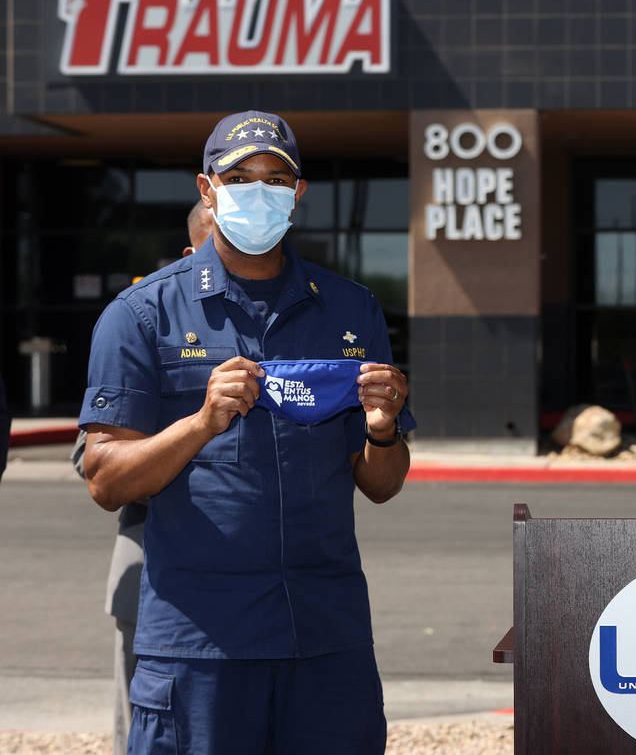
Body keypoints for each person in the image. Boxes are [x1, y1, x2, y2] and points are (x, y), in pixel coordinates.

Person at [79, 110, 411, 755]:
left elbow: (383, 485)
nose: (259, 192)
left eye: (275, 178)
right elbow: (106, 480)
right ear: (207, 189)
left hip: (327, 634)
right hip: (201, 642)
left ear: (298, 193)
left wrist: (384, 431)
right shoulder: (142, 313)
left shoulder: (350, 308)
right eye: (239, 177)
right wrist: (201, 424)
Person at [71, 199, 213, 755]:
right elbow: (94, 459)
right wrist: (189, 431)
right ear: (189, 255)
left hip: (255, 588)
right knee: (147, 728)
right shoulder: (144, 324)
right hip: (153, 570)